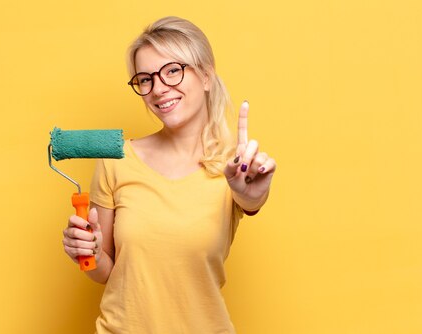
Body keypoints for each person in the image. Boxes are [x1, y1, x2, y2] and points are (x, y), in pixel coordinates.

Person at [61, 16, 276, 333]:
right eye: (145, 79)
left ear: (205, 76)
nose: (159, 89)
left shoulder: (234, 165)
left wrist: (251, 194)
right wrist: (89, 251)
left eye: (173, 71)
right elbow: (106, 270)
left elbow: (250, 197)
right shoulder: (117, 160)